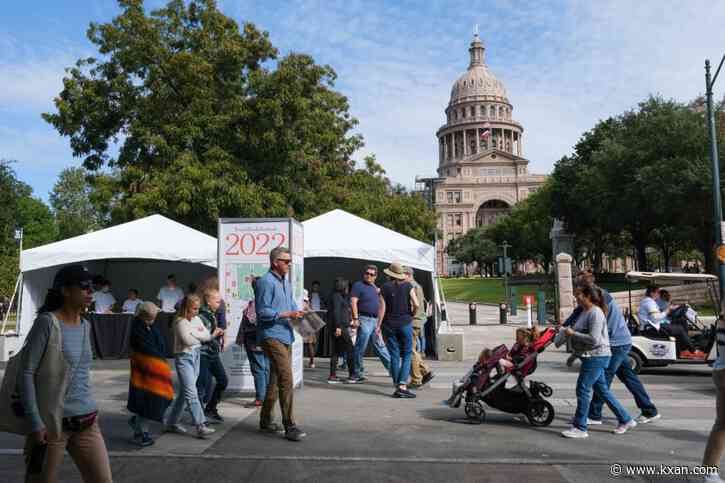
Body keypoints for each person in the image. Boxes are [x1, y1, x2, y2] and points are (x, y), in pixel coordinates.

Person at [20, 264, 113, 482]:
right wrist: (35, 422)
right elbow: (26, 373)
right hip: (52, 426)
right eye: (84, 287)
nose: (91, 292)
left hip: (88, 422)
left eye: (93, 287)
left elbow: (80, 373)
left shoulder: (86, 325)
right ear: (65, 290)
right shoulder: (46, 323)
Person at [575, 273, 660, 426]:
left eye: (578, 287)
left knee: (602, 379)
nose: (576, 291)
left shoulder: (601, 298)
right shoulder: (595, 297)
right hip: (619, 342)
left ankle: (595, 415)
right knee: (628, 377)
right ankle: (649, 410)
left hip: (617, 344)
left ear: (586, 288)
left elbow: (589, 322)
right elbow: (576, 314)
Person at [561, 285, 636, 439]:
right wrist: (574, 355)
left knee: (582, 389)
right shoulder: (585, 312)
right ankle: (626, 419)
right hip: (591, 355)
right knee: (602, 391)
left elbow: (594, 339)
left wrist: (572, 333)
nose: (576, 298)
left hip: (596, 356)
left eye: (578, 295)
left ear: (588, 296)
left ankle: (580, 427)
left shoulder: (595, 313)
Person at [256, 246, 307, 442]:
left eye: (289, 261)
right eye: (286, 261)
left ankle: (265, 420)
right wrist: (288, 314)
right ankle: (290, 425)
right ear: (275, 262)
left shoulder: (285, 281)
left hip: (285, 334)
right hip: (271, 335)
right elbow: (262, 312)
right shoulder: (265, 282)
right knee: (286, 377)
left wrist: (300, 312)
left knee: (275, 380)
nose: (289, 264)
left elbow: (291, 306)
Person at [164, 294, 222, 439]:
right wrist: (199, 334)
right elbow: (188, 340)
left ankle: (171, 422)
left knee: (185, 393)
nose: (197, 311)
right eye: (194, 308)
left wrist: (196, 334)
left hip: (195, 355)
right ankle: (200, 425)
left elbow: (207, 336)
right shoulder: (179, 321)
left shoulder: (195, 319)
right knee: (191, 393)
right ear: (186, 308)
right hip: (184, 358)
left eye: (197, 308)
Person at [127, 301, 173, 447]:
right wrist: (161, 363)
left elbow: (159, 346)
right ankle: (142, 433)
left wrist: (161, 364)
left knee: (154, 400)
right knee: (148, 402)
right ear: (144, 315)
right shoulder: (137, 328)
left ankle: (138, 426)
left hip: (154, 371)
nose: (154, 317)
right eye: (152, 315)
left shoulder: (150, 326)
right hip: (144, 372)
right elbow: (146, 349)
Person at [377, 262, 419, 399]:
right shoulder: (408, 286)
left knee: (394, 355)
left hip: (389, 324)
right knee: (407, 354)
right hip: (405, 323)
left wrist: (378, 325)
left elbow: (382, 308)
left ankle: (397, 385)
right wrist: (412, 314)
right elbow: (416, 304)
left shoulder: (384, 287)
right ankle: (402, 385)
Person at [638, 285, 703, 359]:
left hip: (654, 325)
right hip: (652, 328)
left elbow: (657, 315)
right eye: (658, 292)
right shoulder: (649, 303)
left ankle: (683, 349)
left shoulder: (649, 301)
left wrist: (670, 309)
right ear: (652, 293)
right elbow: (655, 318)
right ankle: (693, 351)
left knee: (681, 322)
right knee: (679, 329)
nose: (659, 294)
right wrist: (668, 310)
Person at [351, 265, 391, 381]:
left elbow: (381, 305)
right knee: (360, 347)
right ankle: (358, 373)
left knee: (381, 347)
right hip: (364, 319)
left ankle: (393, 370)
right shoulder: (358, 285)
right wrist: (355, 318)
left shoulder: (375, 288)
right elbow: (353, 302)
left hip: (375, 321)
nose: (369, 276)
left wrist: (379, 324)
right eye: (367, 273)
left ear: (375, 277)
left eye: (372, 274)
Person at [196, 288, 229, 424]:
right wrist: (214, 334)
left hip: (212, 353)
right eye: (217, 301)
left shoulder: (212, 314)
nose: (220, 303)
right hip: (203, 354)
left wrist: (219, 335)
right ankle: (198, 417)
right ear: (208, 302)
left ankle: (210, 408)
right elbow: (199, 338)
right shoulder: (202, 316)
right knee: (201, 386)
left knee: (223, 380)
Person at [237, 277, 269, 407]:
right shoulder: (267, 301)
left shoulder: (256, 303)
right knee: (265, 367)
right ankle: (266, 396)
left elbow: (251, 321)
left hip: (255, 341)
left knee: (258, 369)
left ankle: (261, 398)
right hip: (266, 340)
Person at [702, 312, 725, 483]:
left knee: (721, 425)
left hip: (721, 370)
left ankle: (710, 472)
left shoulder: (722, 318)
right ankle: (710, 472)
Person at [404, 266, 434, 388]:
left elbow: (413, 306)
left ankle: (416, 379)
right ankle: (424, 371)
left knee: (410, 350)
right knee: (412, 349)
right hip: (417, 321)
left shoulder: (411, 286)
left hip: (412, 321)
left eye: (402, 274)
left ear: (407, 274)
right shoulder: (417, 285)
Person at [328, 278, 357, 384]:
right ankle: (352, 375)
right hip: (340, 327)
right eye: (347, 287)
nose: (348, 289)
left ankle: (333, 375)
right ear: (343, 287)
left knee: (336, 351)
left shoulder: (338, 296)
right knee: (350, 349)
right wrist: (338, 327)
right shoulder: (337, 296)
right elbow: (336, 312)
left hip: (339, 326)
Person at [302, 290, 317, 369]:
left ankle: (312, 362)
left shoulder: (304, 303)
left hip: (304, 324)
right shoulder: (307, 303)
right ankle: (312, 362)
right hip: (308, 324)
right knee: (310, 344)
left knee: (309, 344)